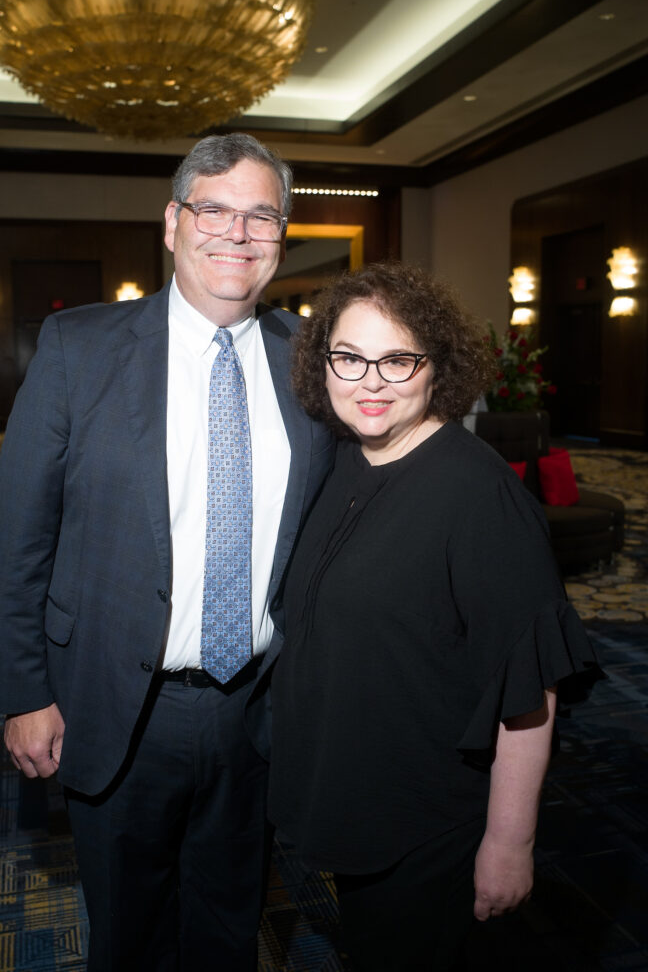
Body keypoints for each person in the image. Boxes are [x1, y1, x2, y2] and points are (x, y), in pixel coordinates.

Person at [0, 132, 334, 971]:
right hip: (113, 702)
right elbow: (20, 539)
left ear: (281, 238)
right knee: (128, 935)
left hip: (256, 708)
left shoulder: (314, 361)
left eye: (262, 217)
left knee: (230, 927)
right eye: (214, 210)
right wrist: (25, 692)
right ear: (173, 223)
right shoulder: (78, 348)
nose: (237, 233)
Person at [267, 261, 602, 971]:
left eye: (398, 360)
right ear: (323, 363)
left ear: (437, 367)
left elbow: (528, 691)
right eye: (349, 357)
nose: (371, 381)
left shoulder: (479, 496)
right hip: (357, 795)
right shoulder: (346, 461)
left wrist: (509, 842)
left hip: (425, 821)